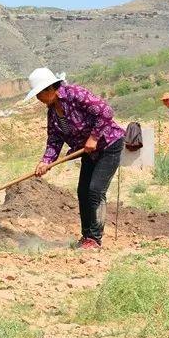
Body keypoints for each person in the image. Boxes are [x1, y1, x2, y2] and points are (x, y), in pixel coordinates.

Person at [26, 68, 124, 250]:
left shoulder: (75, 94)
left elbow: (105, 111)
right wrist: (46, 161)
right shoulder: (53, 113)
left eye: (39, 95)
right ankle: (86, 237)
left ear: (49, 89)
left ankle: (94, 239)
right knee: (83, 192)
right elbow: (54, 140)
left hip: (109, 145)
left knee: (95, 191)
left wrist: (94, 137)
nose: (38, 99)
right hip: (87, 152)